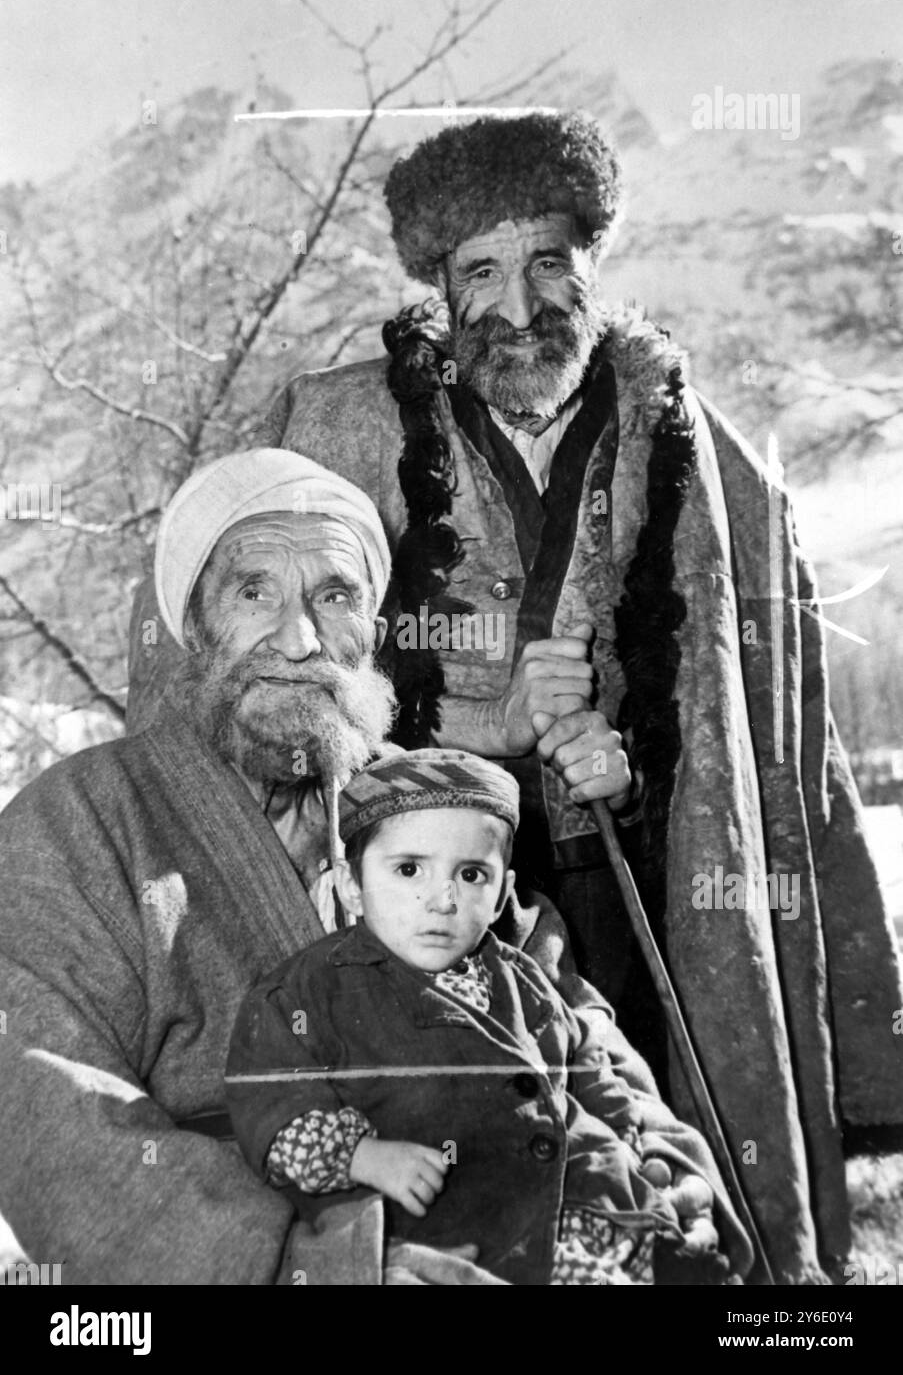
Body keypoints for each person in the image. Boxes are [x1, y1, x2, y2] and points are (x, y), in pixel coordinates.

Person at [125, 111, 903, 1283]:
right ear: (440, 287)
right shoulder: (334, 427)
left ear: (594, 263)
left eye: (547, 261)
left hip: (631, 891)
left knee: (633, 1166)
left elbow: (772, 742)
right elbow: (241, 662)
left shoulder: (697, 448)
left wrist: (629, 767)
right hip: (415, 898)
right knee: (468, 1195)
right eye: (480, 271)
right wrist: (485, 730)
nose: (518, 303)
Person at [0, 447, 736, 1285]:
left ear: (374, 636)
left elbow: (568, 1020)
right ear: (195, 630)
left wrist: (663, 1162)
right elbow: (45, 1105)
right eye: (253, 593)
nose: (299, 638)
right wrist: (324, 1266)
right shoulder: (80, 819)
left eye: (335, 596)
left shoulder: (426, 802)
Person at [226, 748, 749, 1285]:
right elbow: (271, 1099)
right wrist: (361, 1155)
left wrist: (628, 1137)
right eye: (409, 869)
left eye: (472, 874)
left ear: (501, 896)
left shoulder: (521, 976)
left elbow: (586, 1059)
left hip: (589, 1200)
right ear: (352, 886)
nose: (443, 899)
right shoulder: (310, 991)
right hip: (463, 1227)